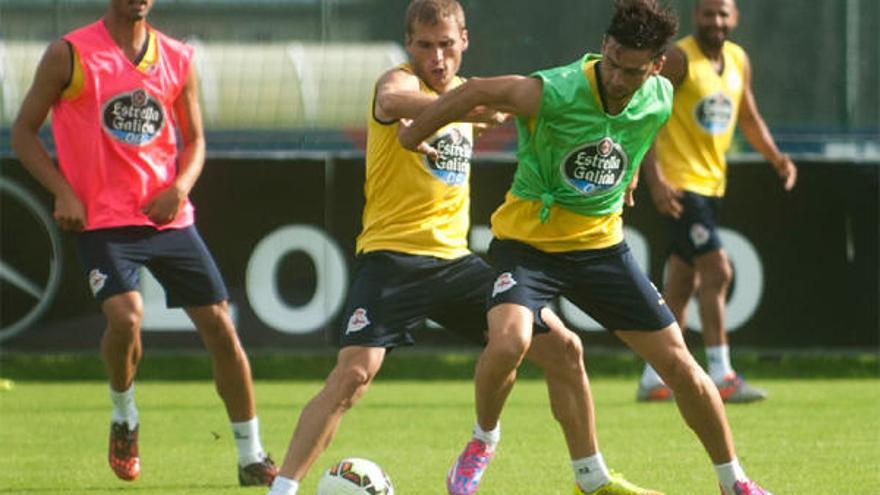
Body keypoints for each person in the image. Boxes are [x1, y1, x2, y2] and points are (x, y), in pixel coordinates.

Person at [267, 2, 658, 495]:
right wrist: (453, 108)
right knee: (354, 375)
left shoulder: (471, 95)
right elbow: (391, 101)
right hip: (393, 258)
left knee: (564, 349)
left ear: (464, 41)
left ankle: (591, 477)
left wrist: (631, 166)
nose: (437, 57)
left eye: (447, 45)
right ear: (409, 46)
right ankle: (281, 489)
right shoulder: (400, 82)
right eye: (425, 45)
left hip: (456, 263)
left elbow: (576, 113)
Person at [400, 1, 775, 494]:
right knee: (509, 341)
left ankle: (735, 483)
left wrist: (634, 172)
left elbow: (636, 132)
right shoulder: (553, 90)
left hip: (601, 250)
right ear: (604, 47)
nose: (618, 79)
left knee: (683, 366)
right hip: (527, 246)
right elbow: (474, 90)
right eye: (613, 63)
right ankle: (483, 438)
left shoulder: (659, 95)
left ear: (656, 67)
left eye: (633, 71)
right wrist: (412, 136)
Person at [11, 0, 277, 486]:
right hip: (102, 223)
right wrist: (64, 191)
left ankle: (251, 456)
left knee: (221, 326)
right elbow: (23, 134)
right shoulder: (69, 54)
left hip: (168, 220)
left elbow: (195, 142)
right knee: (127, 317)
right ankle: (124, 415)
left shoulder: (178, 57)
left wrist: (179, 188)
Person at [636, 0, 797, 404]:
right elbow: (646, 115)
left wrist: (776, 158)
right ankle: (722, 373)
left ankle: (653, 376)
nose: (716, 22)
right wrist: (653, 179)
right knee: (718, 271)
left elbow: (748, 117)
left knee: (681, 284)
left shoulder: (739, 60)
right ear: (696, 16)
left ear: (735, 17)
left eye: (723, 14)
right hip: (681, 186)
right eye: (708, 14)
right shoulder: (678, 59)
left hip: (712, 186)